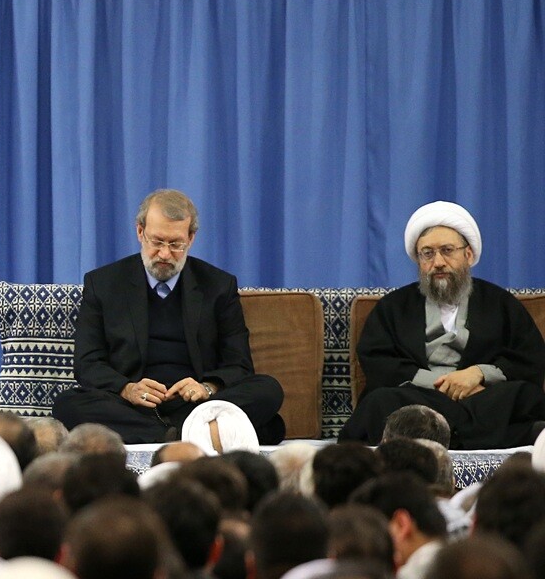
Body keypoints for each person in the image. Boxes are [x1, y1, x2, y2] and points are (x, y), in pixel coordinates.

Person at [52, 189, 285, 445]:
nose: (165, 254)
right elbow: (87, 363)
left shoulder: (218, 285)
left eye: (176, 244)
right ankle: (184, 434)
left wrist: (207, 388)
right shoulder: (103, 283)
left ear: (191, 238)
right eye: (157, 242)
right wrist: (127, 389)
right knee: (67, 404)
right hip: (131, 405)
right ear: (140, 232)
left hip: (197, 404)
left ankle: (171, 431)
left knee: (268, 389)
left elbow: (239, 364)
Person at [342, 201, 545, 449]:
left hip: (480, 395)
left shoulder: (500, 302)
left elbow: (529, 357)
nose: (438, 262)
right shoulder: (393, 306)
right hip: (422, 396)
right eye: (427, 253)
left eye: (447, 250)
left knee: (523, 394)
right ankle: (489, 435)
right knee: (382, 400)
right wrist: (440, 384)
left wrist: (478, 374)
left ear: (468, 255)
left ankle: (442, 434)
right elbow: (378, 362)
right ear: (419, 260)